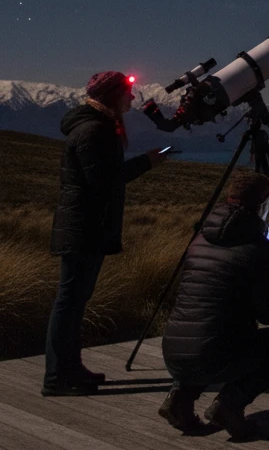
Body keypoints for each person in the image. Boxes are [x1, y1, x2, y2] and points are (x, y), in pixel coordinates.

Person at [44, 70, 169, 396]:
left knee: (74, 302)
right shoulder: (94, 131)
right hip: (83, 228)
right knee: (69, 302)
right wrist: (147, 162)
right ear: (113, 95)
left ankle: (72, 370)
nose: (131, 98)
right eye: (127, 93)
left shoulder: (96, 127)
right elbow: (104, 180)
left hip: (87, 227)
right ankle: (57, 378)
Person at [159, 172, 269, 436]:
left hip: (173, 351)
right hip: (216, 355)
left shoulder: (200, 240)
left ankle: (180, 399)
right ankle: (229, 404)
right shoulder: (258, 248)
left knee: (204, 335)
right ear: (263, 204)